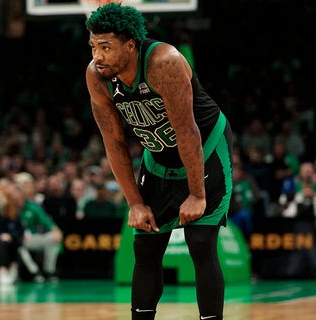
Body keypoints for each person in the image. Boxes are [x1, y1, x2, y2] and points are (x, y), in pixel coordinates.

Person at [84, 4, 233, 320]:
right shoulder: (96, 76)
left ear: (130, 45)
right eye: (93, 47)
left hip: (204, 147)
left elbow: (187, 130)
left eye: (106, 47)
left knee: (201, 241)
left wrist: (196, 194)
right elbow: (114, 142)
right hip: (157, 155)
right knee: (146, 246)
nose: (98, 55)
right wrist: (134, 203)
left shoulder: (164, 62)